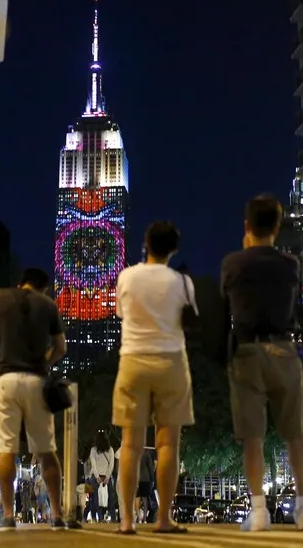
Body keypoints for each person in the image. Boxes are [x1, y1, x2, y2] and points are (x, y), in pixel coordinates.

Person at [221, 195, 303, 532]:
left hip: (247, 351)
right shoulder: (290, 264)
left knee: (253, 437)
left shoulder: (233, 263)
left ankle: (259, 510)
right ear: (278, 226)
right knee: (295, 435)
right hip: (284, 350)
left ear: (247, 226)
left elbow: (227, 305)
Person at [112, 221, 197, 535]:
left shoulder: (126, 277)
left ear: (145, 244)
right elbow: (189, 320)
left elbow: (121, 313)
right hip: (171, 361)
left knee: (130, 444)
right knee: (167, 444)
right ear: (173, 249)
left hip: (133, 360)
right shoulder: (182, 282)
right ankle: (163, 518)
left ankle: (126, 520)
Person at [0, 267, 69, 530]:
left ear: (21, 283)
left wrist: (5, 345)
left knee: (6, 449)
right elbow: (61, 347)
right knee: (46, 450)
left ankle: (8, 515)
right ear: (44, 288)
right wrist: (43, 362)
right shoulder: (49, 305)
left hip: (5, 381)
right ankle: (57, 515)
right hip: (36, 381)